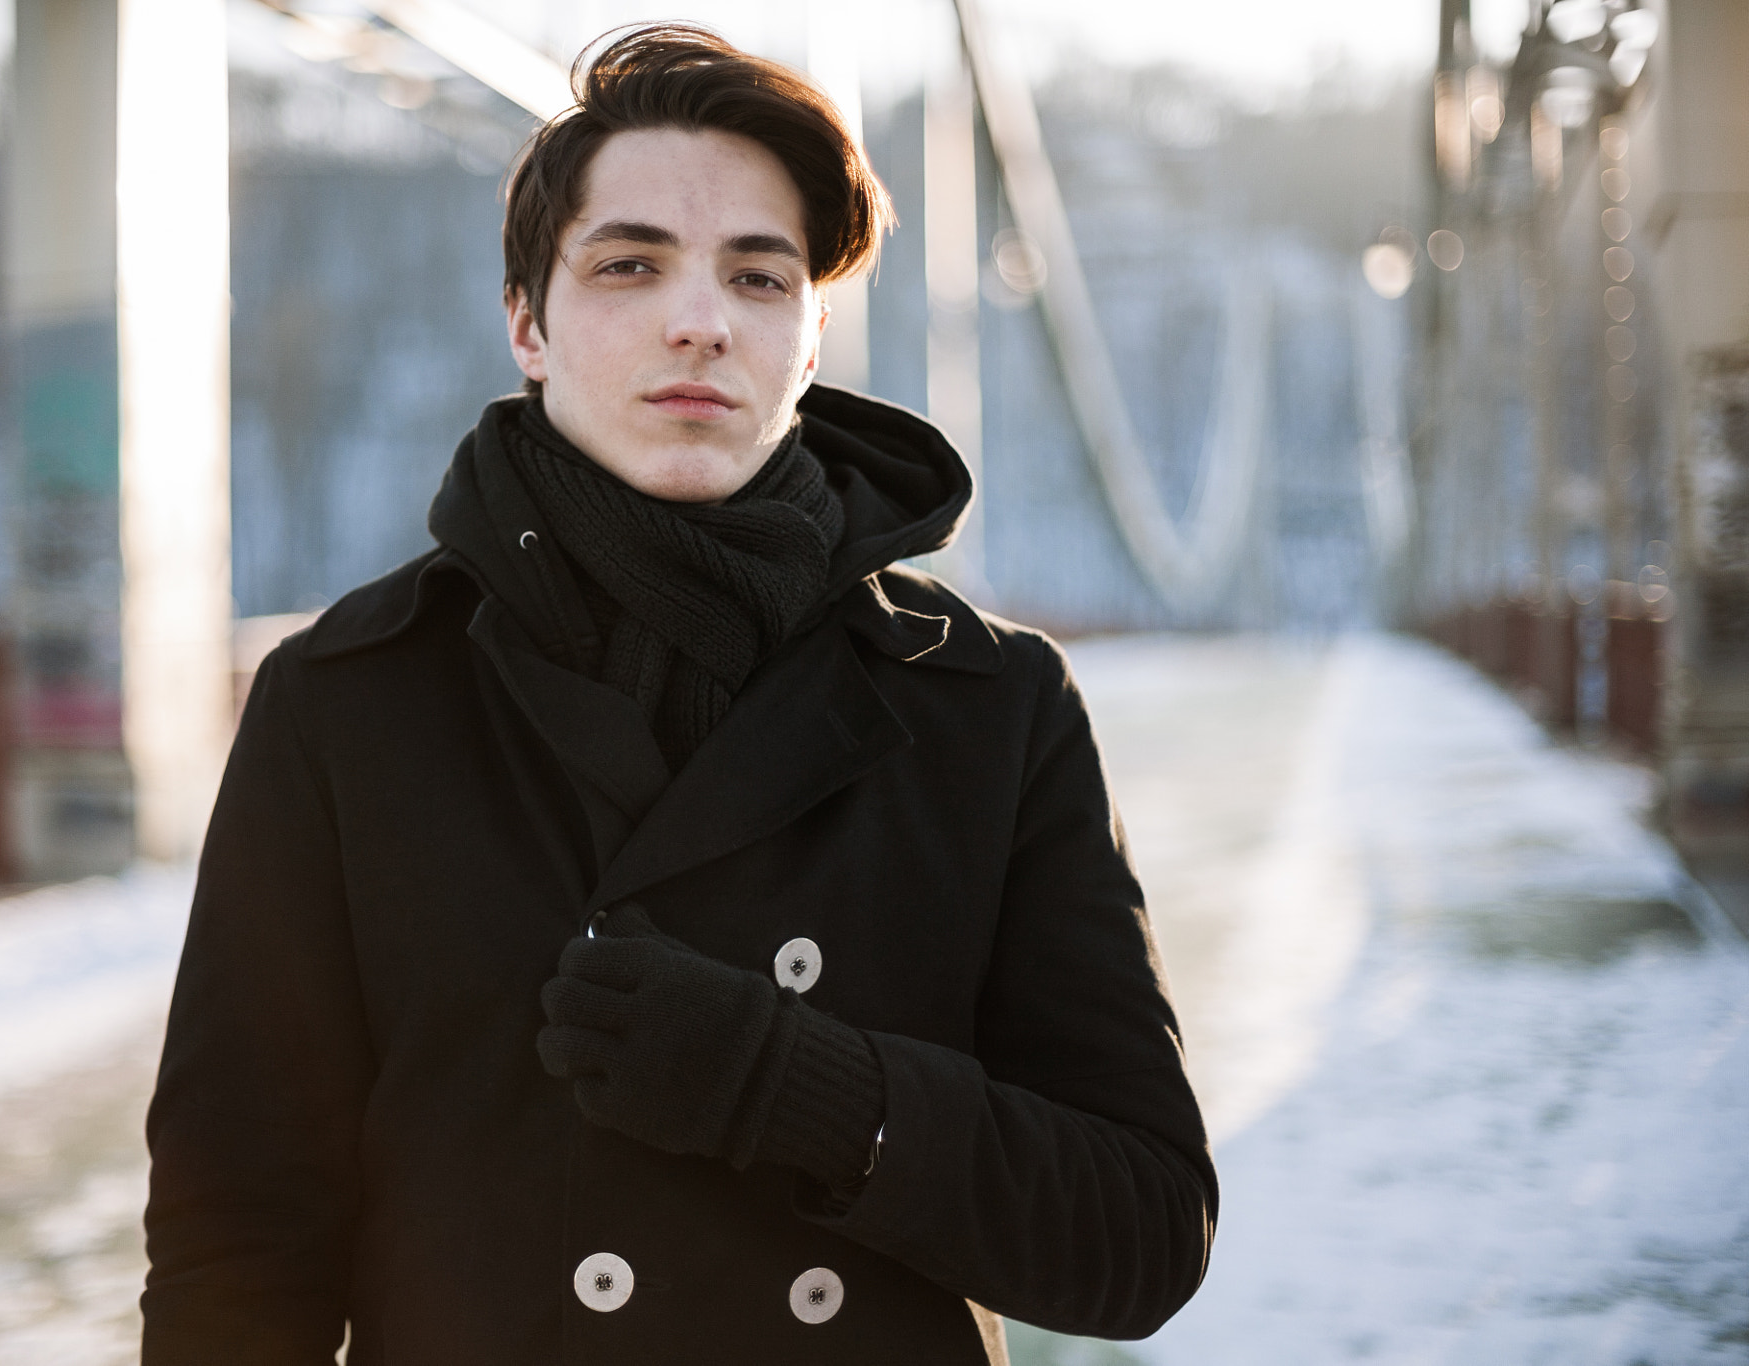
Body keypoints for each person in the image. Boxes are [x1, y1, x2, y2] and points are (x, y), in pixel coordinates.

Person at [142, 24, 1215, 1366]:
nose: (699, 318)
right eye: (630, 263)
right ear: (528, 322)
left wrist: (802, 1088)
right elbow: (237, 1244)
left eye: (758, 277)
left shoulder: (988, 706)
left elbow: (1144, 1230)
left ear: (810, 336)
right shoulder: (347, 705)